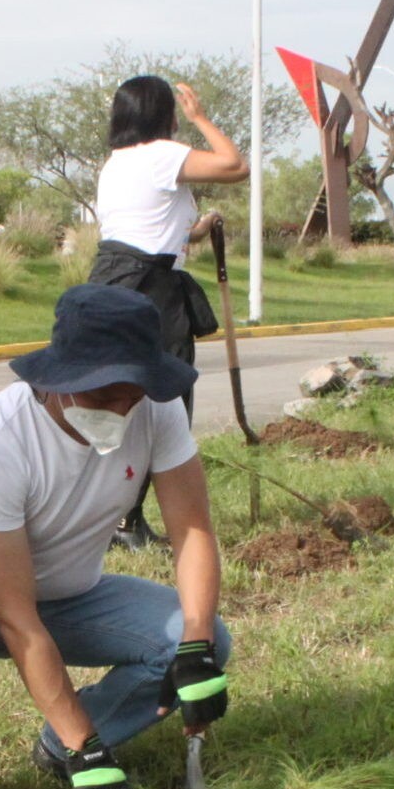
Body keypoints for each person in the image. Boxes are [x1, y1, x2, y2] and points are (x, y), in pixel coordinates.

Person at [0, 285, 231, 789]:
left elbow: (192, 532)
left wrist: (196, 647)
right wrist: (83, 745)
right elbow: (15, 616)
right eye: (103, 394)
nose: (121, 409)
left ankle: (61, 745)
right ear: (57, 380)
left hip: (72, 595)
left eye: (132, 393)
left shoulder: (156, 410)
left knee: (201, 636)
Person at [89, 75, 248, 549]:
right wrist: (202, 118)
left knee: (117, 400)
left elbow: (146, 231)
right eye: (175, 112)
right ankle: (125, 522)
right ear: (163, 115)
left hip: (112, 281)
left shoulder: (116, 163)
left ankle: (108, 519)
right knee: (163, 402)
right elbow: (234, 165)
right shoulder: (159, 154)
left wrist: (197, 229)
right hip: (148, 292)